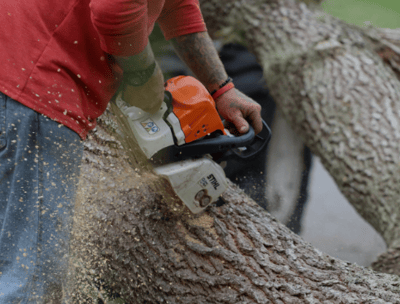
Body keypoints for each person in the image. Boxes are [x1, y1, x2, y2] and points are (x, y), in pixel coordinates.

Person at [0, 0, 262, 302]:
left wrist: (222, 88)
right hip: (35, 88)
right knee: (31, 277)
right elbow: (115, 8)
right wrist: (143, 74)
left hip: (17, 69)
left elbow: (178, 6)